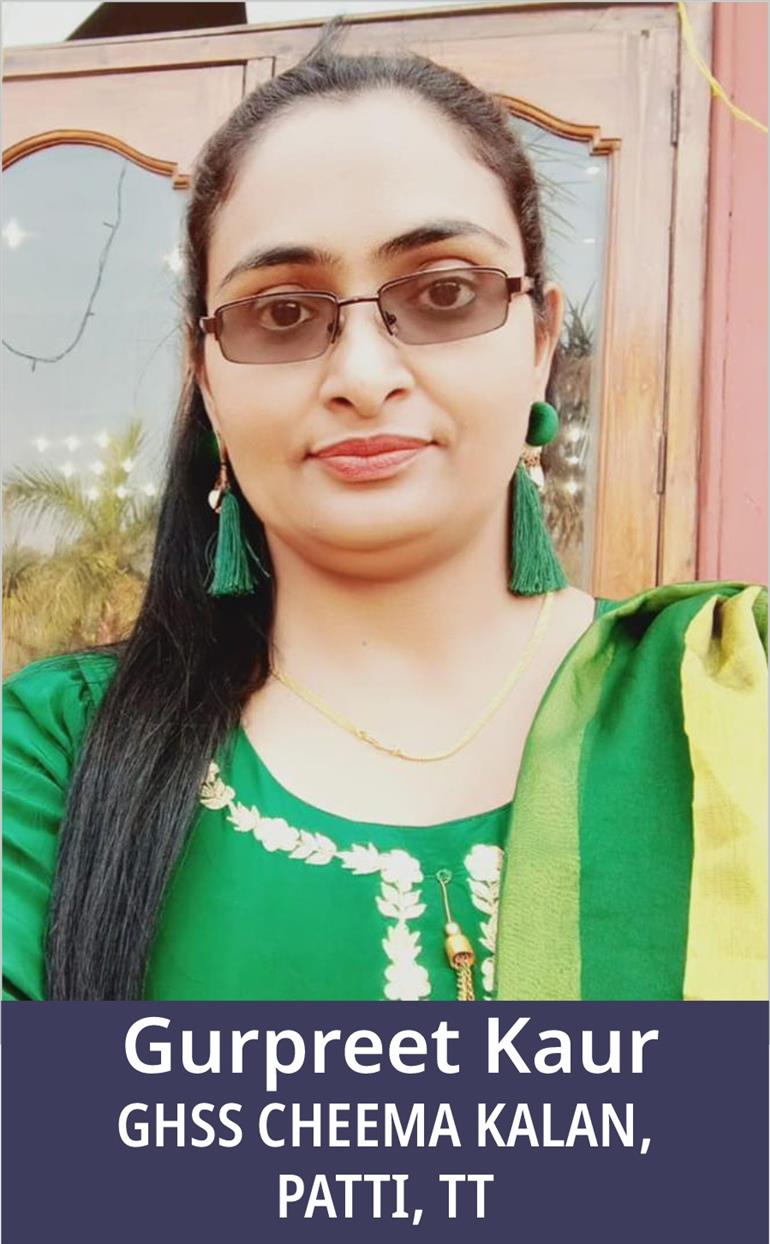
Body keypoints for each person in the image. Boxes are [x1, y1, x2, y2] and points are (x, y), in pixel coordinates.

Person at [3, 20, 766, 1003]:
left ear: (539, 341)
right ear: (209, 380)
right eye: (282, 313)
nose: (363, 376)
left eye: (444, 292)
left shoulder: (729, 697)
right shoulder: (55, 750)